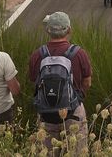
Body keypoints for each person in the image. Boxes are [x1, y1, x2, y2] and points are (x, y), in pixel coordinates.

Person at [29, 12, 92, 153]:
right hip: (73, 111)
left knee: (48, 152)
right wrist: (78, 95)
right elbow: (87, 82)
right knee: (76, 151)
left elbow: (34, 81)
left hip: (46, 113)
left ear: (47, 30)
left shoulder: (37, 54)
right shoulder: (79, 53)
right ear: (69, 30)